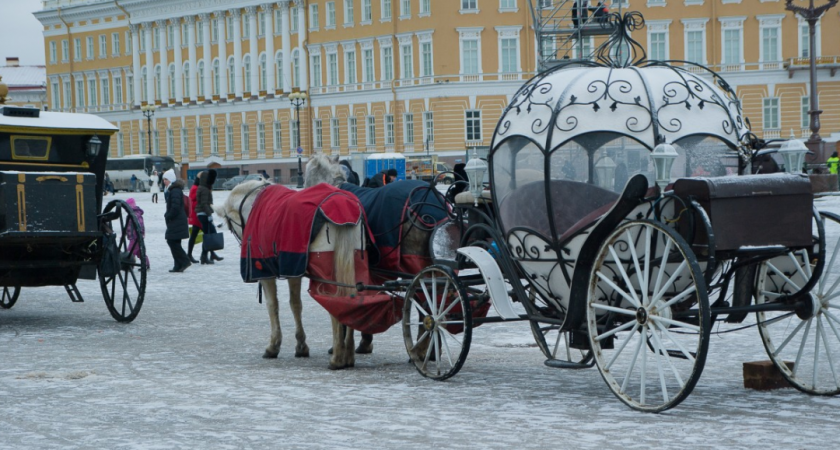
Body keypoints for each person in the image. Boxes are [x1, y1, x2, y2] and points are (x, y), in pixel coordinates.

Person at [162, 169, 191, 272]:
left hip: (176, 220)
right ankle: (178, 265)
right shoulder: (174, 190)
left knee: (171, 241)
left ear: (170, 179)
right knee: (175, 242)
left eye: (166, 179)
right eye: (163, 179)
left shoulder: (174, 191)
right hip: (177, 220)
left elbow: (175, 207)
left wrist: (168, 215)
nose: (164, 181)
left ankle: (185, 261)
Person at [196, 169, 224, 265]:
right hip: (204, 214)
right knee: (208, 235)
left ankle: (210, 254)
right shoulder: (204, 189)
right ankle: (204, 257)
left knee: (210, 234)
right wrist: (209, 214)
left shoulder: (203, 188)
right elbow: (204, 204)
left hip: (203, 214)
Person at [125, 197, 150, 269]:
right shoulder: (132, 214)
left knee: (130, 252)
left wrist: (140, 233)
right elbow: (128, 227)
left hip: (135, 237)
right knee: (139, 252)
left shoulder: (135, 215)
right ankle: (146, 264)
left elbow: (140, 225)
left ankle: (129, 264)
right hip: (133, 236)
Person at [187, 173, 203, 264]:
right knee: (194, 235)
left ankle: (208, 253)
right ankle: (189, 254)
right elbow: (192, 201)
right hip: (197, 215)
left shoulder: (198, 188)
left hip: (199, 214)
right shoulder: (195, 188)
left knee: (205, 234)